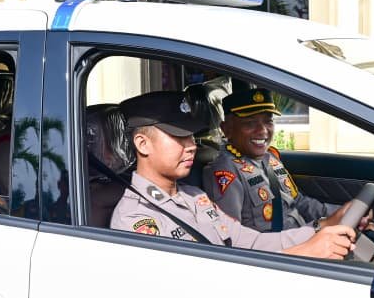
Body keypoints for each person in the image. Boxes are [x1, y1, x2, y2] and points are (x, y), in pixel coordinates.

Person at [109, 91, 356, 259]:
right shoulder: (136, 219)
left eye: (192, 136)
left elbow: (252, 242)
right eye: (179, 136)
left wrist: (320, 228)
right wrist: (302, 253)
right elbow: (199, 287)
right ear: (142, 144)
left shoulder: (195, 197)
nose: (192, 145)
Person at [203, 87, 372, 234]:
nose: (263, 131)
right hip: (280, 252)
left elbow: (298, 202)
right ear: (227, 129)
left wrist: (342, 213)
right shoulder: (225, 171)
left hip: (303, 236)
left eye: (268, 121)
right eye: (250, 123)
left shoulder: (270, 158)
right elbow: (234, 237)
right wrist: (319, 228)